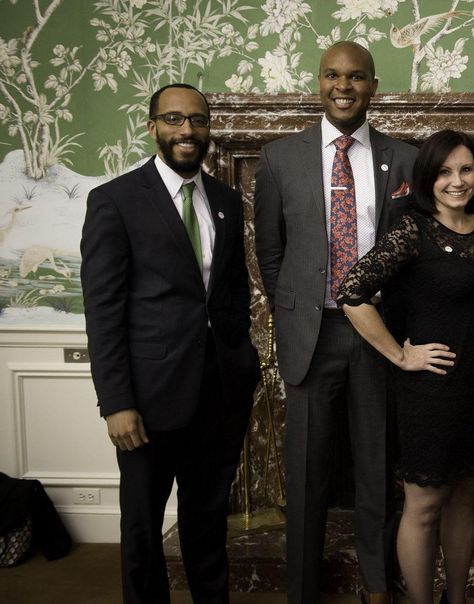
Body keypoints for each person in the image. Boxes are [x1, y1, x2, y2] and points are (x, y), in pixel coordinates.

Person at [81, 83, 260, 603]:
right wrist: (117, 403)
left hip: (219, 395)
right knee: (142, 527)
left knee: (207, 522)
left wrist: (243, 365)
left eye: (198, 121)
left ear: (209, 128)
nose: (187, 131)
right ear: (152, 125)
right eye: (174, 119)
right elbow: (104, 310)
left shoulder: (225, 200)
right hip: (147, 401)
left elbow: (231, 294)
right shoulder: (114, 201)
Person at [253, 41, 417, 604]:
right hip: (312, 337)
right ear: (318, 82)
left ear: (374, 85)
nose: (343, 86)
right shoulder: (280, 158)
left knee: (377, 472)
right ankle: (303, 591)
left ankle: (378, 588)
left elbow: (413, 249)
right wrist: (296, 315)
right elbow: (269, 254)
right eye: (332, 75)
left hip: (379, 337)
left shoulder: (407, 159)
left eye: (356, 77)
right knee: (305, 478)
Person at [338, 130, 474, 604]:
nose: (457, 181)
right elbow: (351, 292)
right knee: (425, 504)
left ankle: (456, 599)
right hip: (430, 391)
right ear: (426, 179)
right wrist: (400, 354)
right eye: (445, 172)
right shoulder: (412, 229)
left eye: (466, 169)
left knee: (465, 500)